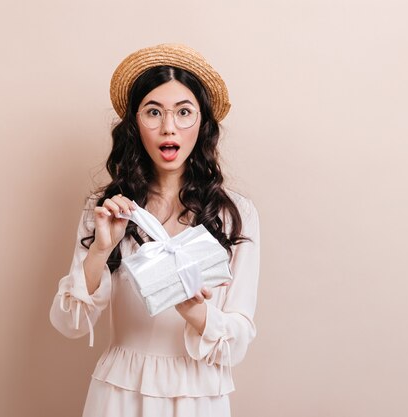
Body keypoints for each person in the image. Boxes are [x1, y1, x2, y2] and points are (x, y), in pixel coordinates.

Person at [50, 43, 260, 417]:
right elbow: (71, 324)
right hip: (119, 393)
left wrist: (195, 311)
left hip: (199, 398)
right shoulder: (108, 210)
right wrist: (100, 250)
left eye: (183, 112)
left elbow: (237, 343)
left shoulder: (234, 214)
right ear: (134, 124)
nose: (168, 128)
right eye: (153, 112)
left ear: (203, 123)